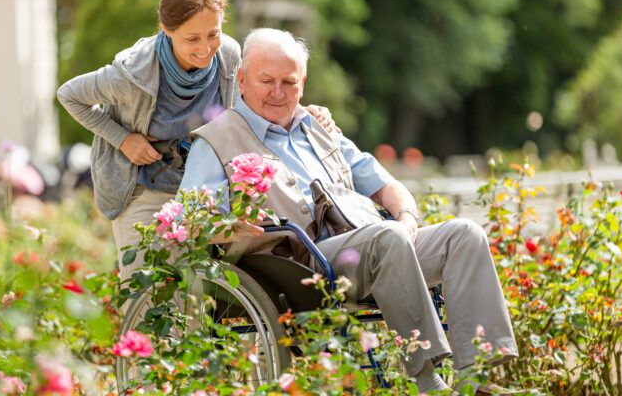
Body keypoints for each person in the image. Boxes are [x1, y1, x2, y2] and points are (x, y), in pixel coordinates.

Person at [179, 28, 520, 394]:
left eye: (289, 82)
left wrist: (406, 217)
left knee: (464, 235)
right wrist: (233, 227)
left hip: (372, 248)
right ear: (243, 79)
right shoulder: (216, 141)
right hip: (297, 267)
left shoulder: (319, 128)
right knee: (386, 236)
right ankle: (428, 381)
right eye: (266, 81)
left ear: (303, 83)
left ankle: (475, 379)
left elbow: (387, 185)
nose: (278, 92)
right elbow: (192, 220)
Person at [57, 0, 337, 280]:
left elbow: (250, 102)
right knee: (148, 289)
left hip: (200, 188)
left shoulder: (228, 54)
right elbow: (69, 95)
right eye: (192, 39)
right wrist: (123, 139)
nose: (205, 49)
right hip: (143, 188)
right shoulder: (133, 74)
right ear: (167, 30)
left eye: (212, 34)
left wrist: (301, 112)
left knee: (197, 294)